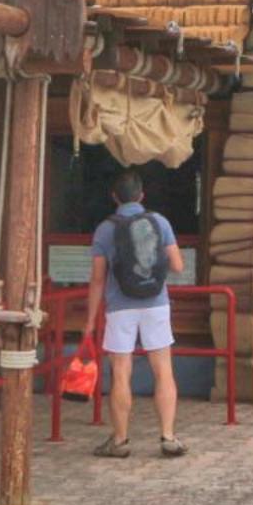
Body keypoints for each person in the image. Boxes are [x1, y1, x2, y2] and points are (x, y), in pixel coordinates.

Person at [82, 170, 186, 458]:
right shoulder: (159, 222)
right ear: (141, 196)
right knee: (163, 370)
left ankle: (120, 441)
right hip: (156, 303)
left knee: (120, 373)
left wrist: (90, 320)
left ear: (114, 197)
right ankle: (168, 436)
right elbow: (177, 265)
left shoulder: (105, 229)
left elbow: (98, 279)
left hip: (120, 307)